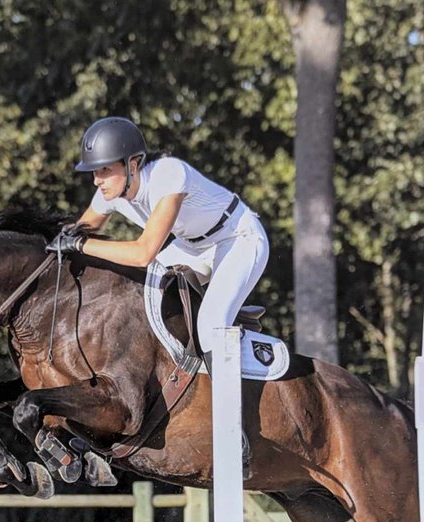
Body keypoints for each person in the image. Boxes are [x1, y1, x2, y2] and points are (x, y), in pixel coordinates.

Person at [46, 116, 270, 369]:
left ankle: (231, 406)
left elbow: (143, 253)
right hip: (193, 246)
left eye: (105, 170)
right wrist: (52, 238)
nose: (97, 180)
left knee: (210, 327)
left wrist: (78, 245)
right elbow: (80, 230)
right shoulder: (109, 193)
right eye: (95, 172)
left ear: (133, 164)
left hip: (238, 237)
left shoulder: (168, 173)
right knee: (135, 293)